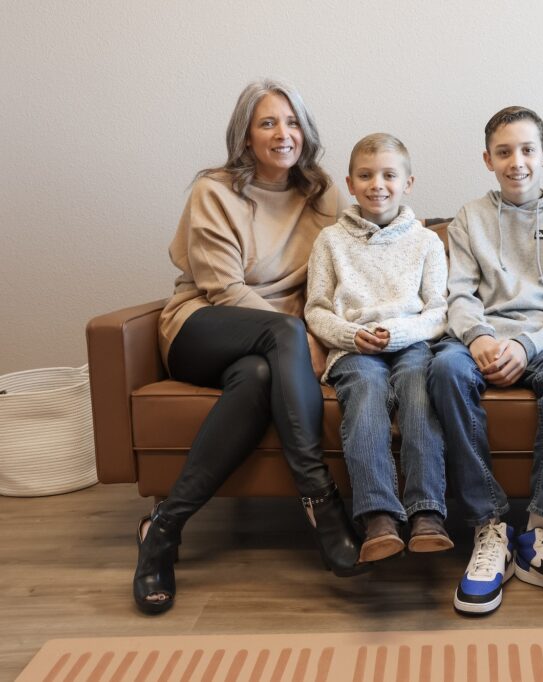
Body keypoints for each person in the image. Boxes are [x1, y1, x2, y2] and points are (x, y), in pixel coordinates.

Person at [134, 79, 363, 615]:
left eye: (291, 122)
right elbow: (225, 289)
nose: (283, 134)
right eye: (267, 123)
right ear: (245, 136)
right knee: (280, 336)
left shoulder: (322, 192)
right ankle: (322, 502)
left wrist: (325, 329)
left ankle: (162, 531)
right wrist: (303, 337)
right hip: (203, 325)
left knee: (259, 378)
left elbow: (332, 275)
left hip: (271, 349)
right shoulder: (214, 191)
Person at [429, 106, 543, 616]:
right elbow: (459, 295)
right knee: (443, 368)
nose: (517, 162)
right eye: (504, 152)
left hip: (541, 342)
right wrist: (481, 338)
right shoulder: (468, 217)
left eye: (528, 150)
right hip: (480, 338)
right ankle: (489, 526)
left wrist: (525, 346)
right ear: (487, 159)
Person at [305, 133, 451, 564]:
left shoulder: (426, 242)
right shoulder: (330, 241)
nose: (377, 184)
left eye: (389, 175)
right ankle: (379, 517)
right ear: (350, 183)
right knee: (365, 395)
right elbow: (315, 310)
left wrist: (399, 333)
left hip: (411, 345)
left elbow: (439, 311)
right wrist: (351, 337)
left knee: (417, 391)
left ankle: (427, 514)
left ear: (408, 182)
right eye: (366, 176)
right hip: (354, 349)